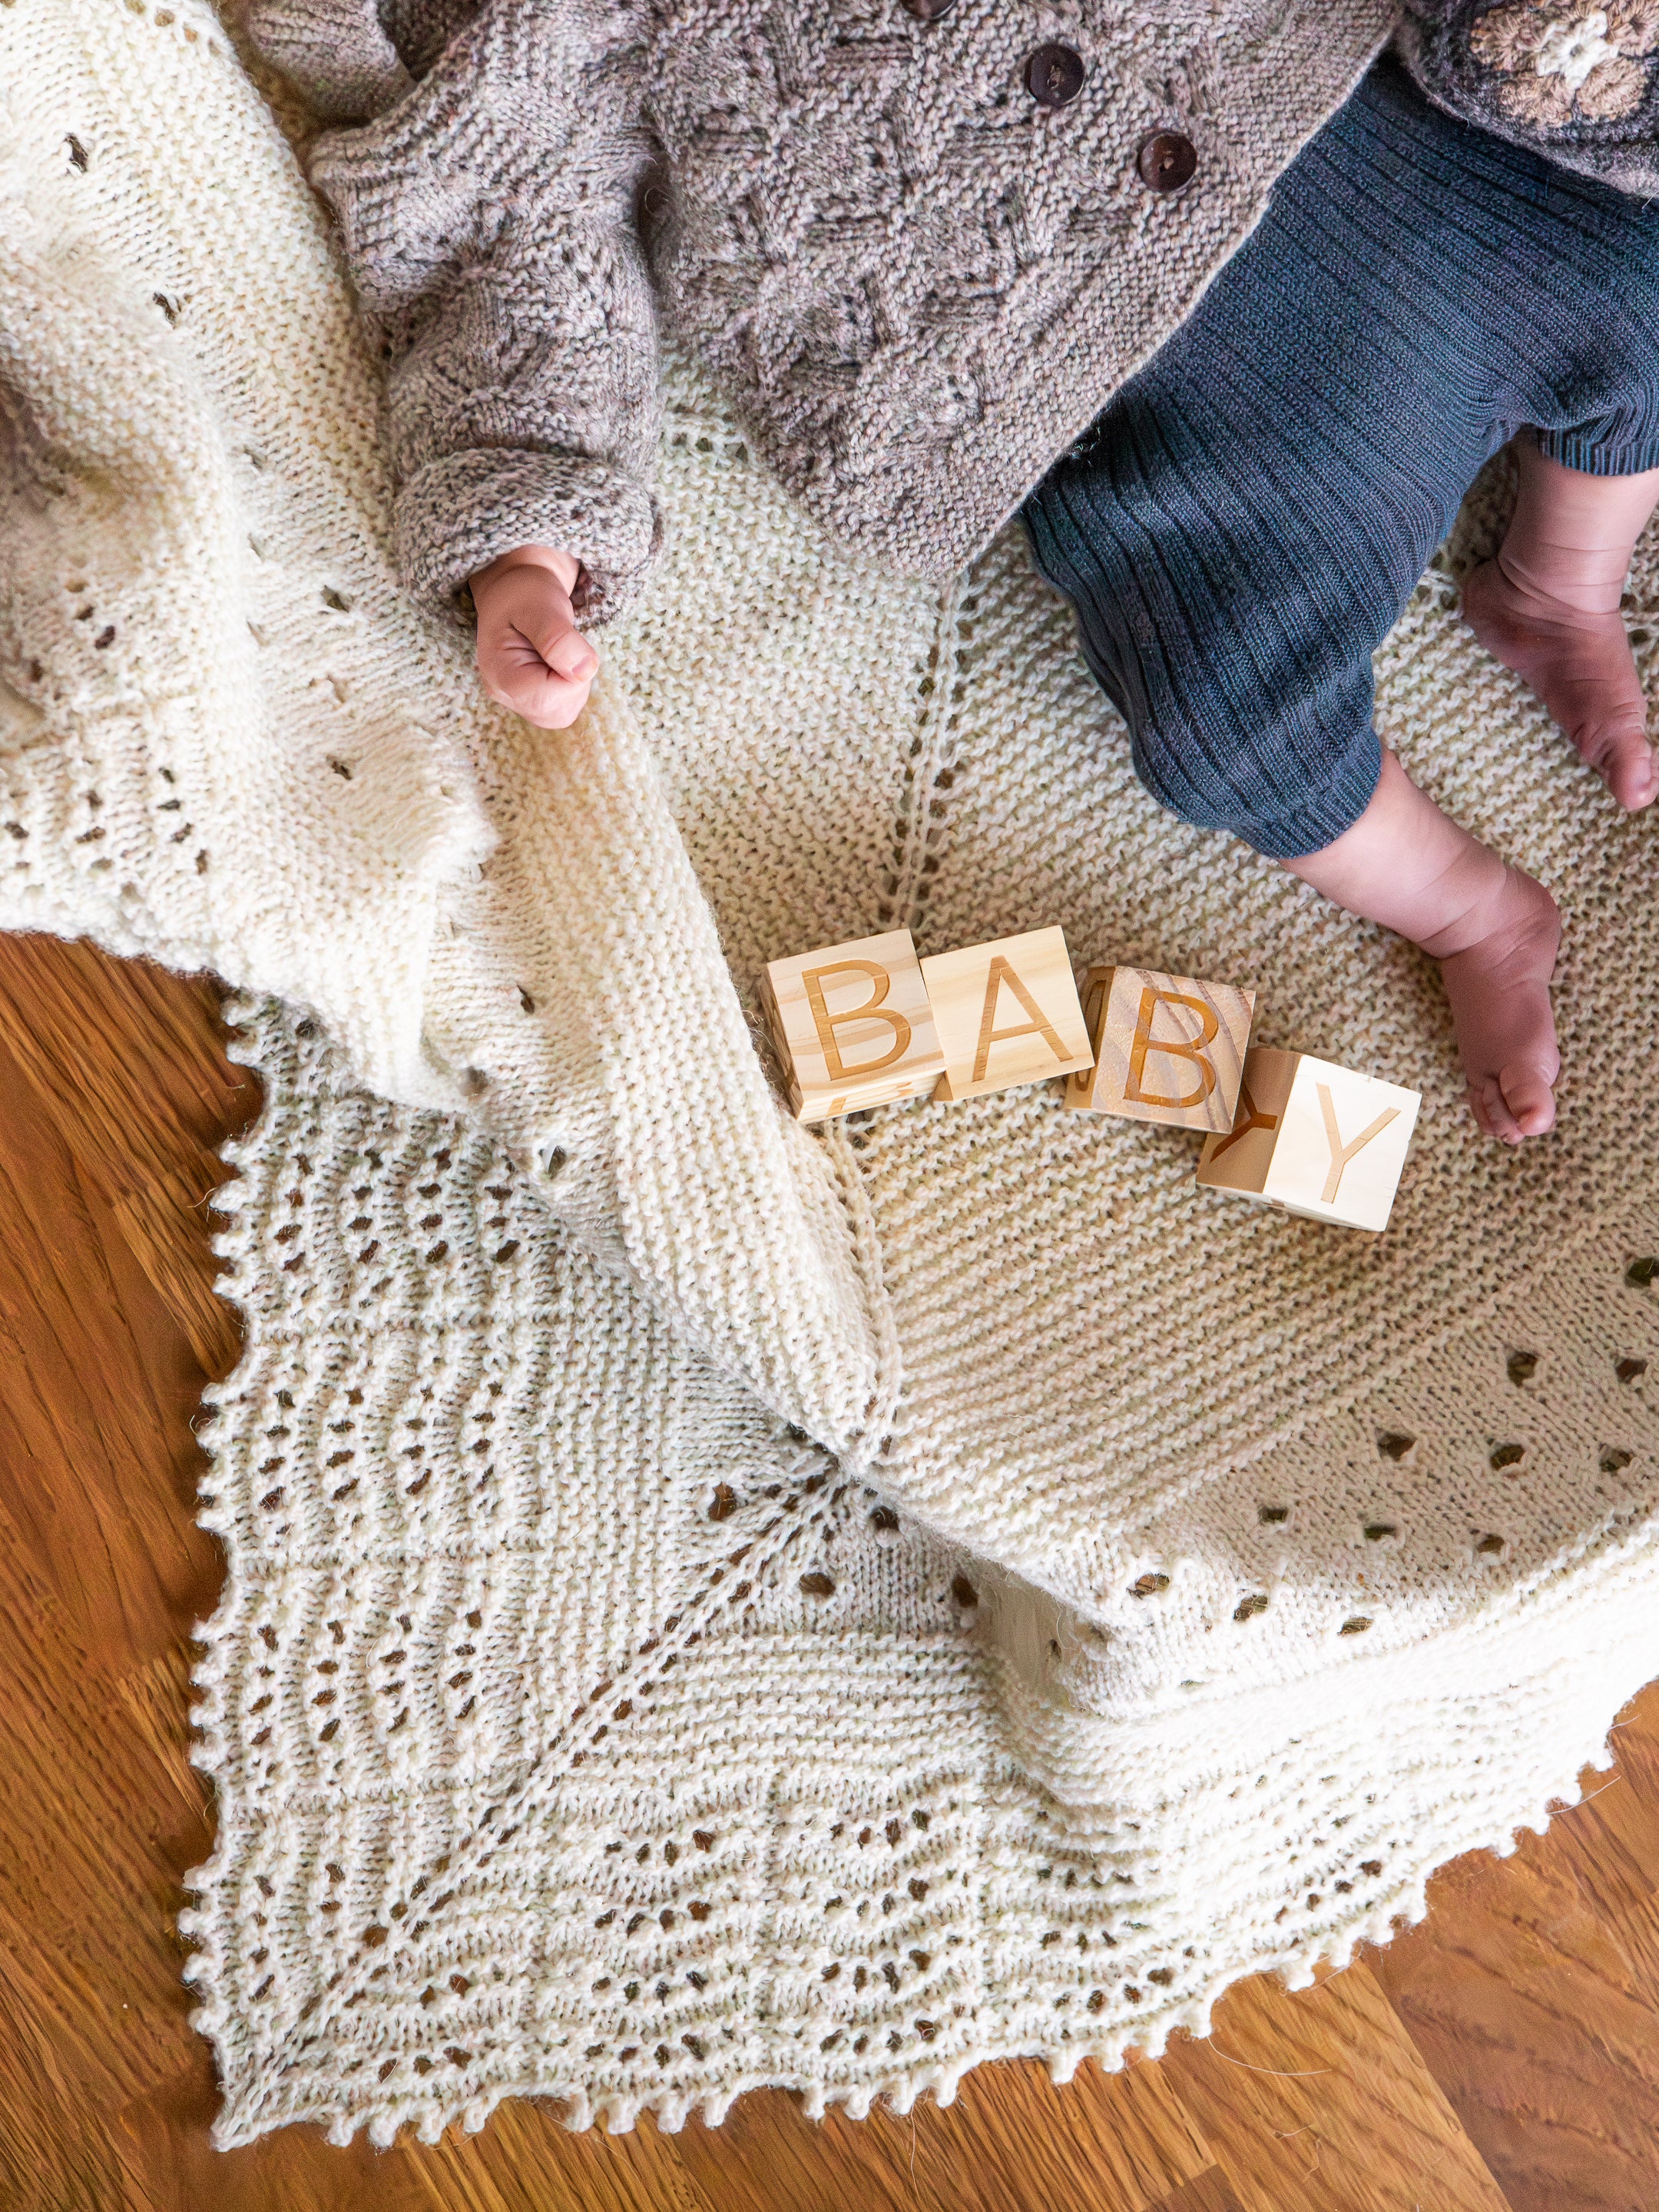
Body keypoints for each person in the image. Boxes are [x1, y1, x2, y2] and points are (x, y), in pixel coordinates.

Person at [251, 0, 1659, 1142]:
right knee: (1233, 723)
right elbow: (518, 239)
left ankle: (1557, 584)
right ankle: (1471, 907)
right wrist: (529, 548)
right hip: (1106, 393)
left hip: (1351, 120)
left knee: (1639, 286)